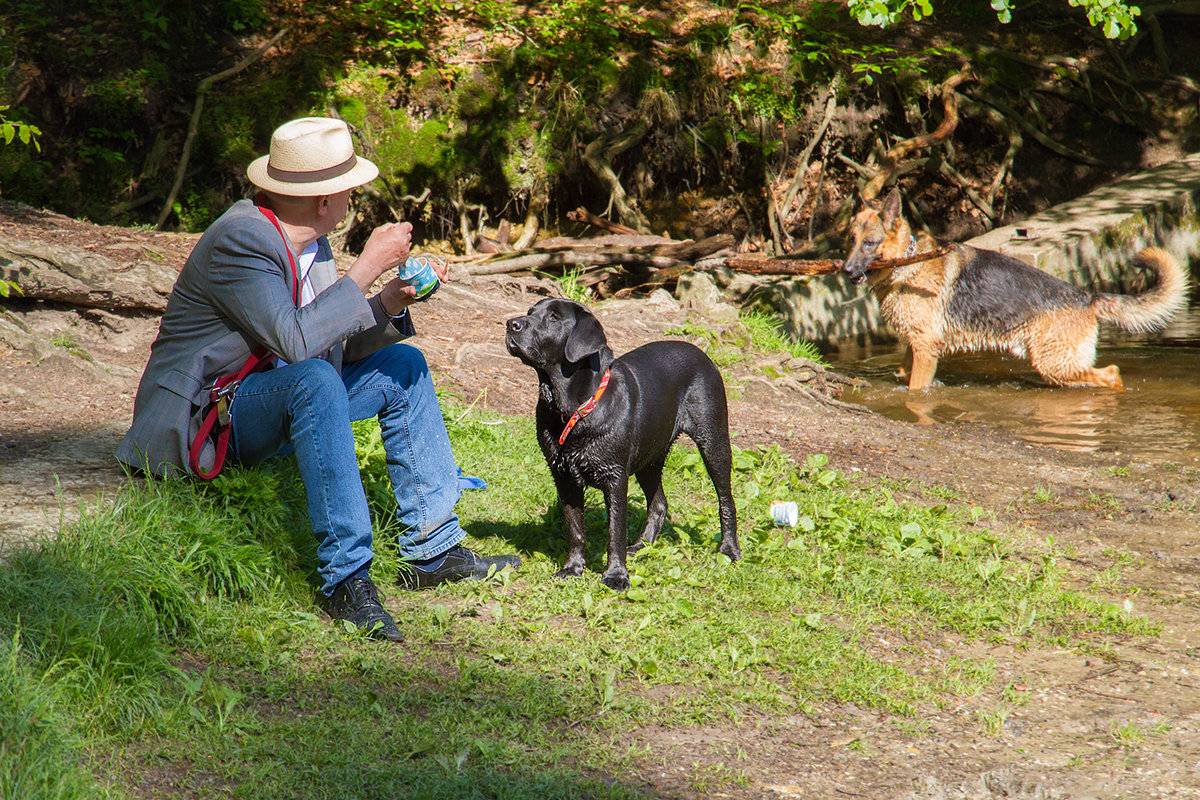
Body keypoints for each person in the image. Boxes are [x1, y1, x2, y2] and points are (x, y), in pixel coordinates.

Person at [116, 117, 521, 642]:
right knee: (314, 382)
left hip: (282, 394)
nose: (354, 195)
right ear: (325, 200)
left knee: (403, 367)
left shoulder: (313, 242)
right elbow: (298, 345)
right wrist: (368, 267)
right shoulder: (241, 240)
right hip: (208, 416)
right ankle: (346, 580)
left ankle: (432, 549)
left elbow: (330, 345)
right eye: (349, 187)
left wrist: (389, 302)